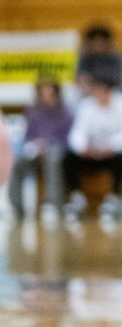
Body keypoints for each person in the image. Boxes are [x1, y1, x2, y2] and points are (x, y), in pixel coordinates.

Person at [63, 66, 122, 221]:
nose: (97, 93)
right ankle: (77, 199)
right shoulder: (87, 105)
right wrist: (84, 148)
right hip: (91, 154)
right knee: (67, 158)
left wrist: (111, 147)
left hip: (112, 154)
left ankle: (113, 200)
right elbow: (77, 133)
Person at [6, 77, 73, 223]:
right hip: (35, 152)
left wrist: (48, 143)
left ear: (56, 92)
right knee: (17, 162)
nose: (47, 95)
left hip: (58, 151)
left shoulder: (66, 111)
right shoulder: (33, 111)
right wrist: (35, 144)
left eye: (50, 91)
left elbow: (68, 138)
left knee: (52, 158)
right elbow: (27, 136)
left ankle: (52, 205)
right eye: (43, 92)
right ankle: (16, 207)